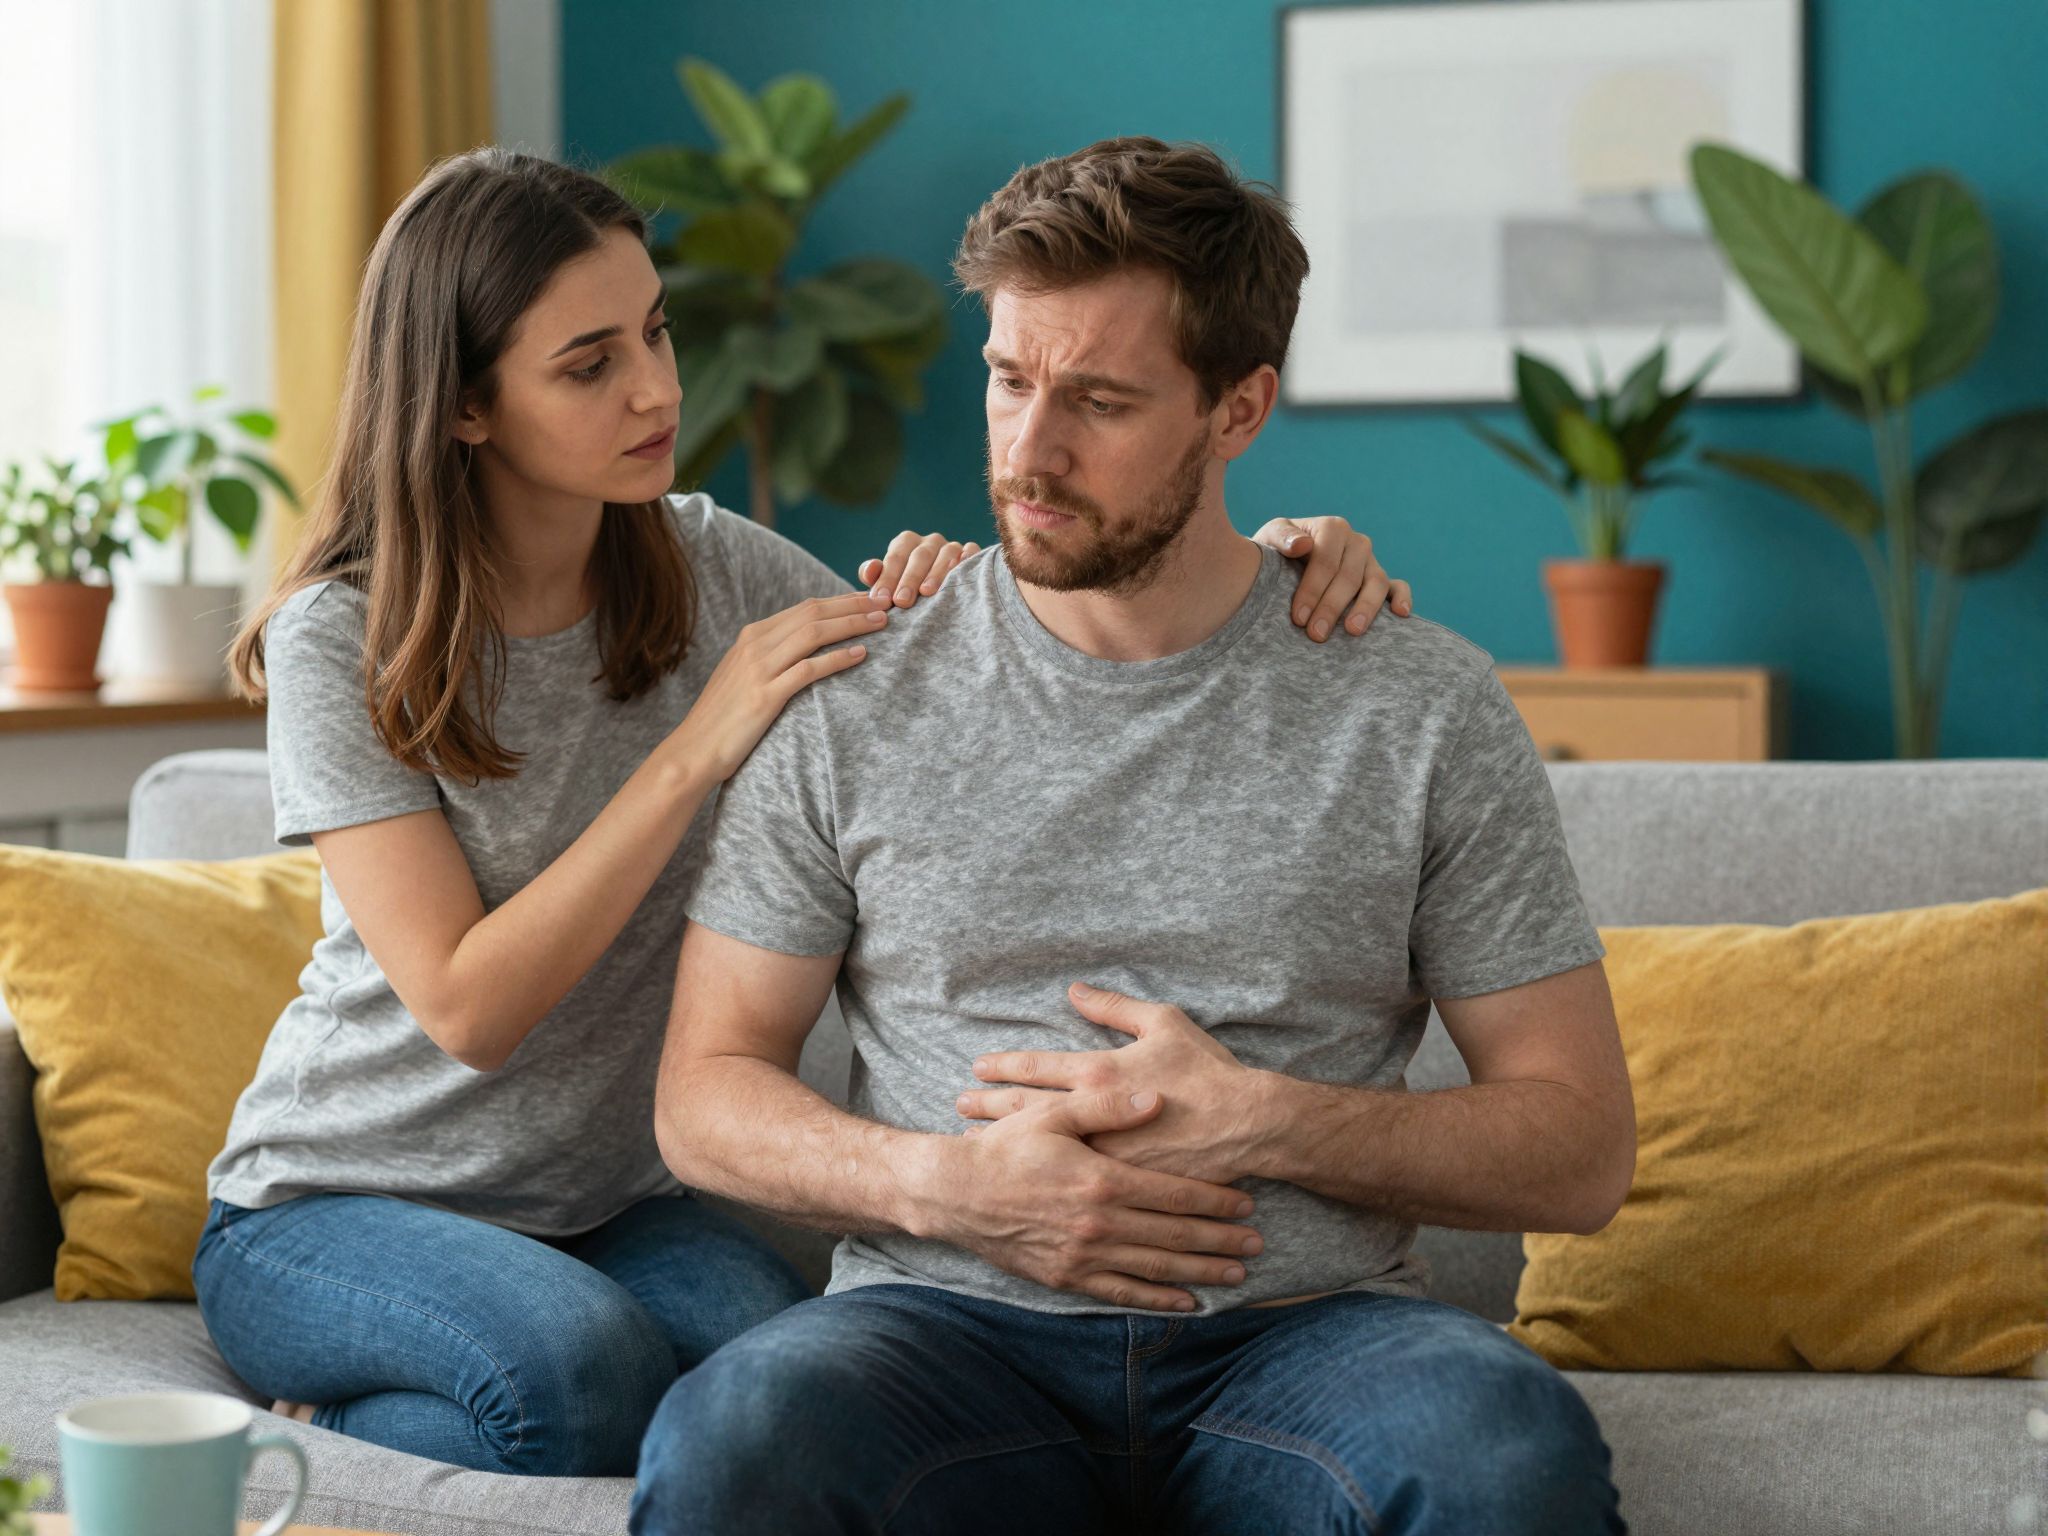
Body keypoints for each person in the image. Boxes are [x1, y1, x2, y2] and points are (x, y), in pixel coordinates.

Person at [188, 145, 1415, 1479]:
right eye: (589, 363)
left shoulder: (714, 565)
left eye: (655, 331)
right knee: (577, 1379)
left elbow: (1003, 623)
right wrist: (697, 746)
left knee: (790, 1378)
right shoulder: (339, 640)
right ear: (467, 405)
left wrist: (1268, 561)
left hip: (605, 1210)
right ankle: (278, 1444)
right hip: (334, 1202)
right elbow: (470, 1010)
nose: (657, 387)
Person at [637, 136, 1636, 1533]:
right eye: (1007, 381)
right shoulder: (856, 690)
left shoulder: (1417, 704)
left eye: (1100, 402)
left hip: (1311, 1339)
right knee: (737, 1438)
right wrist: (954, 1190)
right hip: (939, 1336)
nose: (1030, 453)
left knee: (1505, 1456)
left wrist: (1268, 1122)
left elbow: (1579, 1149)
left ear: (1239, 411)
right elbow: (704, 1094)